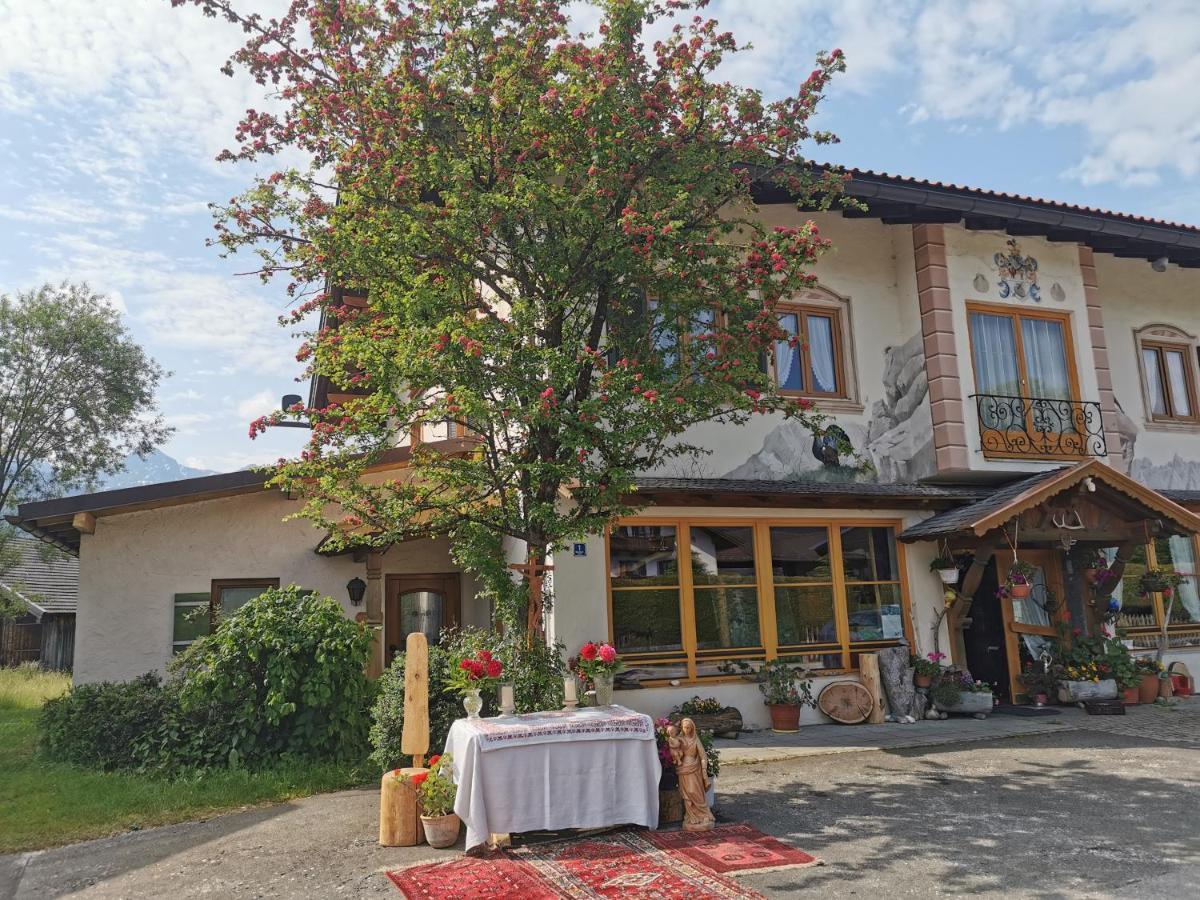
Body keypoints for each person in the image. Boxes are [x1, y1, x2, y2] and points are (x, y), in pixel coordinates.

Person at [673, 718, 714, 832]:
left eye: (689, 727)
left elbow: (703, 756)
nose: (687, 730)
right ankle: (691, 816)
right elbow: (673, 747)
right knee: (686, 793)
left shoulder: (696, 740)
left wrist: (704, 771)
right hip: (683, 768)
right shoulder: (680, 740)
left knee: (695, 792)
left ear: (692, 728)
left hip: (694, 768)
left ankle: (704, 814)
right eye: (685, 727)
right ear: (682, 728)